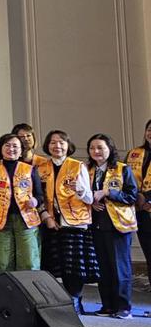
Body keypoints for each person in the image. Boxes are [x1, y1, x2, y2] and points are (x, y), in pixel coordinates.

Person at [38, 130, 96, 313]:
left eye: (61, 142)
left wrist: (79, 189)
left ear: (68, 145)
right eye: (53, 142)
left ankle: (75, 300)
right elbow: (38, 197)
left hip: (74, 222)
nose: (57, 146)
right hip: (50, 222)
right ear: (47, 146)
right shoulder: (41, 168)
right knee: (53, 264)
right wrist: (46, 217)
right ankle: (55, 302)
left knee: (73, 266)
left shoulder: (77, 166)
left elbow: (89, 198)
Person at [86, 133, 138, 319]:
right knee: (103, 268)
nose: (96, 151)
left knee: (120, 268)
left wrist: (108, 192)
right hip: (96, 225)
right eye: (92, 148)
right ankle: (107, 305)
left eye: (100, 147)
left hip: (118, 225)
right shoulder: (87, 170)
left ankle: (124, 307)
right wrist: (91, 202)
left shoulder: (123, 169)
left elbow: (131, 196)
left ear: (110, 149)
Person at [0, 133, 44, 276]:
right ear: (1, 148)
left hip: (27, 222)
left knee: (29, 262)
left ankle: (28, 291)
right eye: (7, 145)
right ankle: (5, 291)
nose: (11, 149)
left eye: (15, 146)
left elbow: (40, 195)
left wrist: (35, 201)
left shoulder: (30, 169)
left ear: (21, 150)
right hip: (1, 223)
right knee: (2, 262)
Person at [125, 119, 151, 309]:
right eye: (149, 129)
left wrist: (147, 198)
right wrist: (136, 197)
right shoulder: (135, 153)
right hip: (140, 211)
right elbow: (124, 179)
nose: (150, 133)